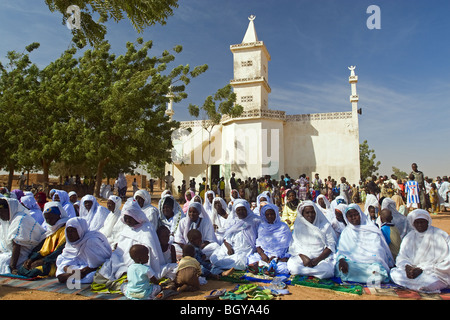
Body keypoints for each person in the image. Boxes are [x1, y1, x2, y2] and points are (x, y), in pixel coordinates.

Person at [92, 199, 168, 292]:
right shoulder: (127, 229)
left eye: (130, 218)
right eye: (125, 218)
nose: (127, 221)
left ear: (136, 216)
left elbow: (152, 254)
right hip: (122, 261)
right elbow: (121, 251)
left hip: (141, 262)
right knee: (105, 270)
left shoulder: (147, 229)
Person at [390, 209, 450, 293]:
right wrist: (407, 267)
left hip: (433, 273)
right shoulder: (409, 237)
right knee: (394, 274)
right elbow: (401, 256)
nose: (420, 225)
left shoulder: (440, 235)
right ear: (413, 224)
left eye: (422, 222)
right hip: (412, 272)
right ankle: (418, 285)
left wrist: (422, 269)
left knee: (430, 282)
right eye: (417, 222)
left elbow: (447, 261)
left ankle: (423, 285)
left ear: (427, 222)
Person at [335, 204, 394, 284]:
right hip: (353, 263)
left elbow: (378, 249)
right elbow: (341, 250)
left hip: (371, 262)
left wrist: (372, 259)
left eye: (356, 215)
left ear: (360, 214)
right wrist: (342, 260)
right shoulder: (346, 232)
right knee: (343, 267)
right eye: (350, 216)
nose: (353, 218)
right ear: (346, 218)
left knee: (378, 270)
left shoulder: (372, 229)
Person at [209, 199, 261, 275]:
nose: (241, 212)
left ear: (247, 209)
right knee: (214, 258)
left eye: (243, 209)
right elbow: (227, 237)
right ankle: (228, 267)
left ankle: (227, 268)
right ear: (235, 211)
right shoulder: (232, 221)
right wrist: (229, 248)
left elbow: (259, 237)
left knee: (241, 262)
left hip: (246, 249)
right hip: (232, 246)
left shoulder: (255, 220)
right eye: (238, 210)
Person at [17, 202, 69, 278]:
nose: (49, 221)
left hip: (55, 261)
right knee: (23, 269)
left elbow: (61, 250)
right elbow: (41, 248)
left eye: (51, 218)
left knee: (33, 272)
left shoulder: (66, 229)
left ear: (59, 216)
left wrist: (43, 261)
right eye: (46, 218)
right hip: (45, 259)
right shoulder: (50, 230)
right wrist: (31, 259)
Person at [287, 201, 337, 279]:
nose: (310, 215)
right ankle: (314, 273)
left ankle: (306, 272)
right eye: (307, 212)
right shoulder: (298, 226)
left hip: (321, 257)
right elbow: (294, 245)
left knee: (327, 270)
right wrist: (303, 257)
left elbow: (331, 245)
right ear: (302, 214)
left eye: (312, 212)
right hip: (303, 257)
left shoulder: (325, 226)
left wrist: (316, 260)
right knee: (292, 266)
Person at [55, 217, 112, 285]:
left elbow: (98, 263)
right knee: (60, 260)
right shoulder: (71, 242)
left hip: (91, 269)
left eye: (73, 231)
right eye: (68, 231)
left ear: (80, 230)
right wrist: (70, 271)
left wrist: (82, 272)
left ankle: (71, 276)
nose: (70, 234)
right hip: (78, 267)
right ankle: (72, 276)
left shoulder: (91, 241)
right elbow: (65, 259)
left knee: (93, 276)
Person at [0, 198, 46, 274]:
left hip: (27, 253)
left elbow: (17, 245)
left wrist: (12, 267)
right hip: (12, 253)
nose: (0, 216)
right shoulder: (7, 222)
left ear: (10, 210)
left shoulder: (20, 220)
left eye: (2, 213)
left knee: (3, 261)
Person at [248, 203, 292, 276]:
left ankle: (263, 268)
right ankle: (268, 268)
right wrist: (262, 254)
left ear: (276, 214)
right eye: (267, 215)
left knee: (284, 268)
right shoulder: (262, 226)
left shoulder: (283, 227)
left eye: (272, 214)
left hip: (279, 255)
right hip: (265, 255)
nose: (270, 216)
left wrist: (276, 257)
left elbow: (287, 245)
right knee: (251, 259)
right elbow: (258, 243)